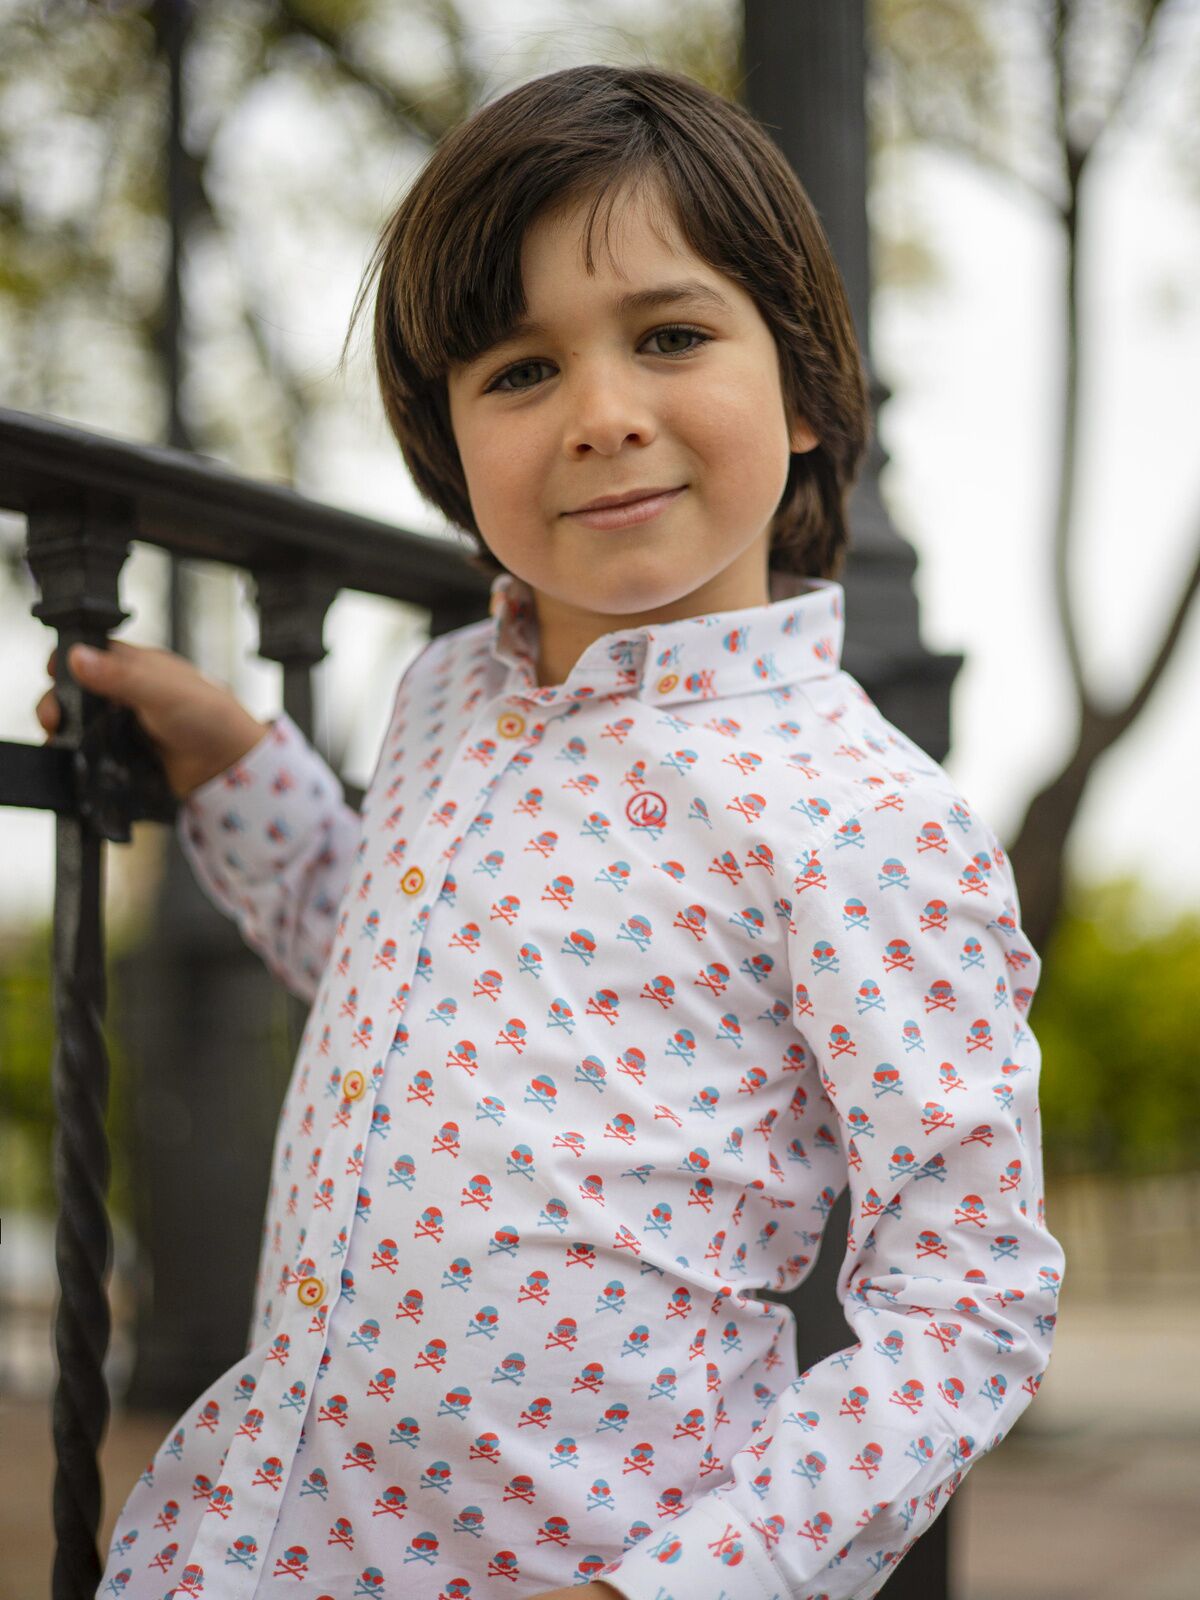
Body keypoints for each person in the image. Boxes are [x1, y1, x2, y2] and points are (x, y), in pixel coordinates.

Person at [37, 62, 1064, 1600]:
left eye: (668, 336)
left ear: (798, 388)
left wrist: (685, 1587)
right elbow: (395, 967)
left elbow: (967, 1296)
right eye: (518, 371)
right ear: (450, 446)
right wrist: (239, 762)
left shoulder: (864, 820)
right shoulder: (447, 694)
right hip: (268, 1537)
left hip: (591, 1560)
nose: (599, 416)